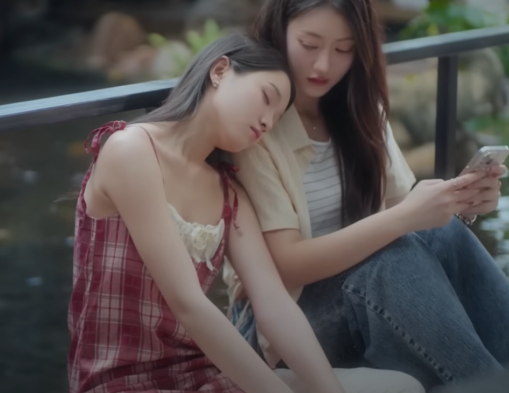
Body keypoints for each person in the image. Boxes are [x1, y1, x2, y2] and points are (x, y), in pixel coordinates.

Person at [223, 0, 509, 390]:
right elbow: (284, 267)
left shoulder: (360, 110)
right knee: (389, 264)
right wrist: (406, 217)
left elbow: (408, 217)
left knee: (444, 234)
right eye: (309, 44)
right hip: (280, 324)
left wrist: (462, 201)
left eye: (343, 49)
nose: (323, 66)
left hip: (364, 296)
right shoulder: (257, 120)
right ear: (279, 28)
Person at [68, 34, 424, 393]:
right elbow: (188, 303)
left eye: (276, 117)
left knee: (401, 387)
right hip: (120, 381)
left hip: (201, 373)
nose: (268, 122)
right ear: (220, 71)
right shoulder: (131, 149)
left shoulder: (229, 193)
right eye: (266, 98)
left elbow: (274, 304)